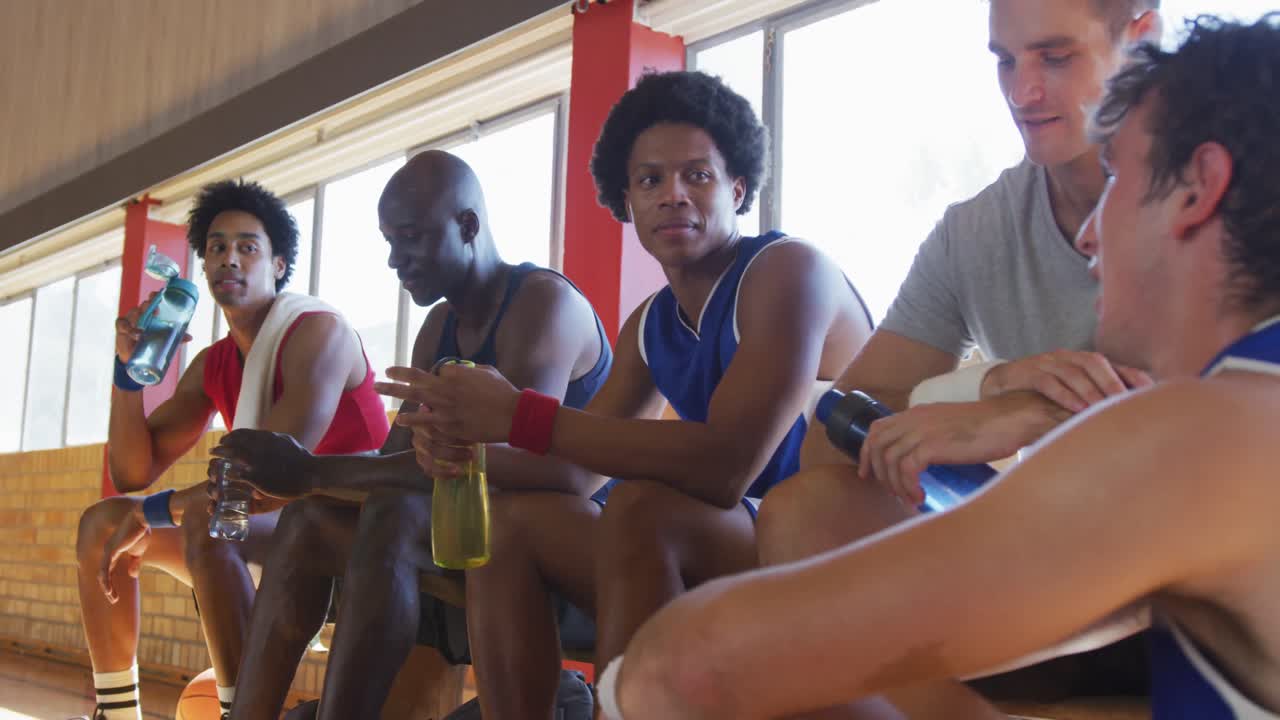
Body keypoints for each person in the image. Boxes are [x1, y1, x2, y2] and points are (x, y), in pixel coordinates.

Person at [604, 14, 1280, 719]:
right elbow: (829, 429)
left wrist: (625, 690)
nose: (1087, 231)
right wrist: (982, 393)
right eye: (1007, 62)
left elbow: (689, 668)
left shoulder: (1208, 437)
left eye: (1120, 181)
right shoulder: (1236, 413)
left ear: (1199, 187)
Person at [376, 70, 875, 719]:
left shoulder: (788, 272)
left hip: (840, 557)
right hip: (742, 549)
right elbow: (573, 475)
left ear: (739, 189)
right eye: (649, 180)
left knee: (644, 510)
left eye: (697, 175)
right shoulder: (650, 324)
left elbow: (726, 467)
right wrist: (459, 450)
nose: (673, 195)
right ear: (625, 199)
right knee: (508, 524)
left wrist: (521, 414)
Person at [760, 0, 1161, 705]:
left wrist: (1040, 414)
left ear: (1141, 38)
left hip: (1214, 567)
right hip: (1067, 576)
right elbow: (825, 443)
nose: (1022, 92)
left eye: (1056, 57)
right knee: (801, 515)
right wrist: (982, 391)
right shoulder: (975, 233)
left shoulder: (1232, 188)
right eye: (1006, 61)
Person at [212, 150, 611, 720]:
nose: (395, 260)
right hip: (467, 543)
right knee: (308, 520)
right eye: (388, 241)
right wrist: (295, 483)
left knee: (393, 515)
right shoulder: (438, 329)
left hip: (562, 563)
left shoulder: (542, 306)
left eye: (410, 238)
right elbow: (400, 460)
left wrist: (310, 470)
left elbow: (500, 468)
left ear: (467, 226)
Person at [73, 180, 389, 720]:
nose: (230, 259)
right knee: (102, 521)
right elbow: (130, 471)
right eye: (216, 247)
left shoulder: (319, 333)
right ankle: (116, 713)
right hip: (274, 525)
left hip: (356, 526)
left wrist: (151, 513)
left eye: (248, 247)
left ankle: (241, 712)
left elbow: (259, 480)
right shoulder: (214, 363)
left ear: (279, 265)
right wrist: (129, 371)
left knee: (210, 521)